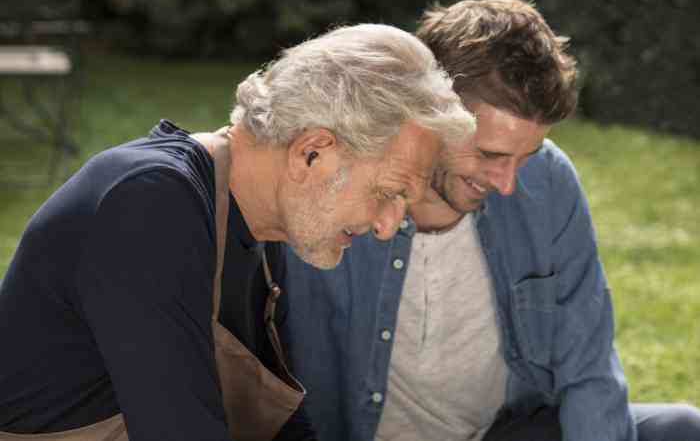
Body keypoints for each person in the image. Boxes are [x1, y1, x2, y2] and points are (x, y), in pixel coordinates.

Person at [0, 24, 475, 441]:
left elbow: (285, 430)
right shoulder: (148, 204)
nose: (388, 225)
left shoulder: (264, 237)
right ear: (311, 152)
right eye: (388, 192)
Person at [278, 0, 700, 441]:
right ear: (428, 112)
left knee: (681, 428)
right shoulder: (336, 184)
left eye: (525, 156)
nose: (507, 183)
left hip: (503, 432)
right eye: (490, 154)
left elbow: (588, 364)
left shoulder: (548, 178)